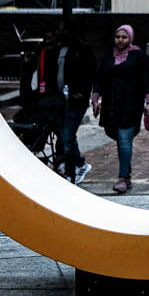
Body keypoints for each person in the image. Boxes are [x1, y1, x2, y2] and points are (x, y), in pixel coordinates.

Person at [94, 23, 149, 193]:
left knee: (124, 138)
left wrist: (148, 102)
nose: (120, 40)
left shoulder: (139, 56)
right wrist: (95, 98)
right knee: (118, 138)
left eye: (124, 37)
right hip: (111, 105)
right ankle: (127, 176)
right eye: (118, 37)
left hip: (130, 105)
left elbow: (146, 79)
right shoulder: (107, 57)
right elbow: (99, 79)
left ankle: (122, 177)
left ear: (130, 38)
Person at [39, 27, 98, 184]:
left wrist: (85, 93)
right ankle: (78, 164)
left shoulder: (82, 50)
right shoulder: (58, 49)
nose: (59, 32)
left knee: (67, 135)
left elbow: (91, 73)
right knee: (66, 135)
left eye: (62, 29)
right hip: (60, 99)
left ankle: (72, 171)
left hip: (76, 99)